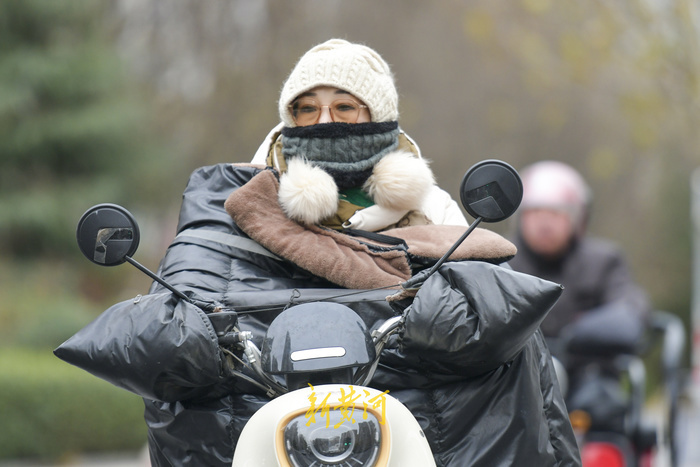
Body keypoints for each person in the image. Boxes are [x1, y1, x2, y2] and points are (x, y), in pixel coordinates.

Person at [57, 39, 581, 466]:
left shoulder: (436, 212)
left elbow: (490, 314)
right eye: (306, 110)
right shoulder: (232, 207)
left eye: (344, 107)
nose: (323, 120)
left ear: (377, 116)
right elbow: (188, 293)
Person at [508, 160, 651, 342]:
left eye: (555, 213)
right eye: (534, 212)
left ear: (578, 218)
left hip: (585, 366)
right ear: (519, 218)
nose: (544, 224)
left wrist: (590, 329)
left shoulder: (604, 261)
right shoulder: (499, 262)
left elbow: (630, 306)